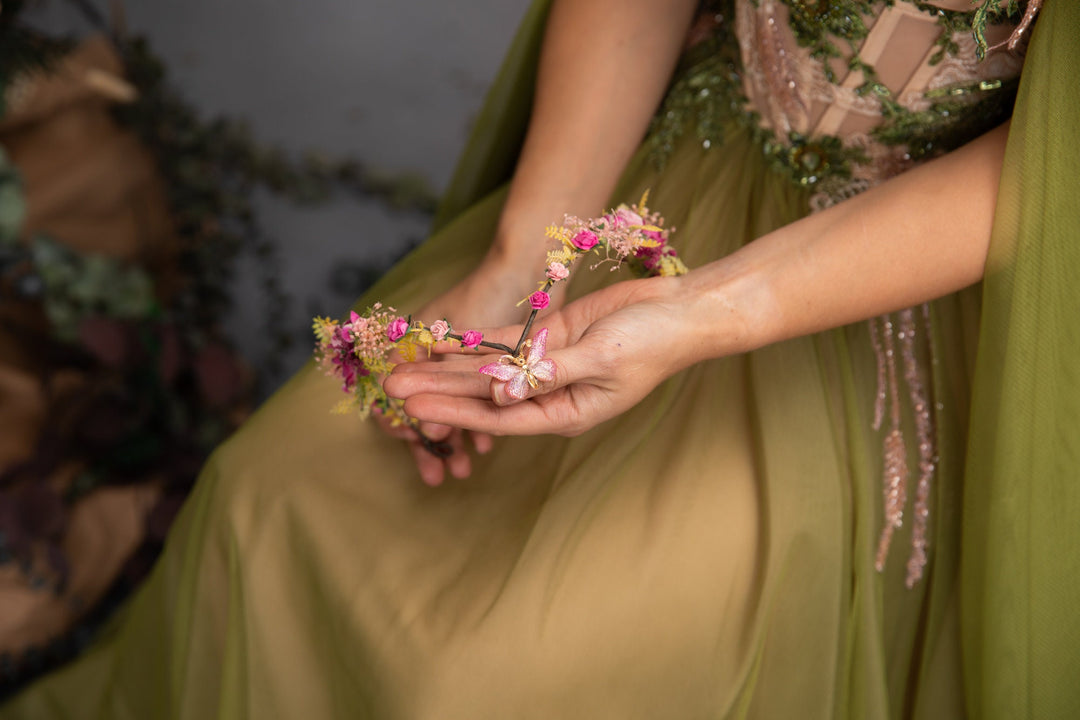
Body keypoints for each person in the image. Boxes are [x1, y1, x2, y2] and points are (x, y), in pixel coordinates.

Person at [3, 0, 1078, 718]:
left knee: (492, 678)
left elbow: (1055, 169)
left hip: (877, 287)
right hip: (662, 173)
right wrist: (517, 262)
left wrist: (703, 313)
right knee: (267, 493)